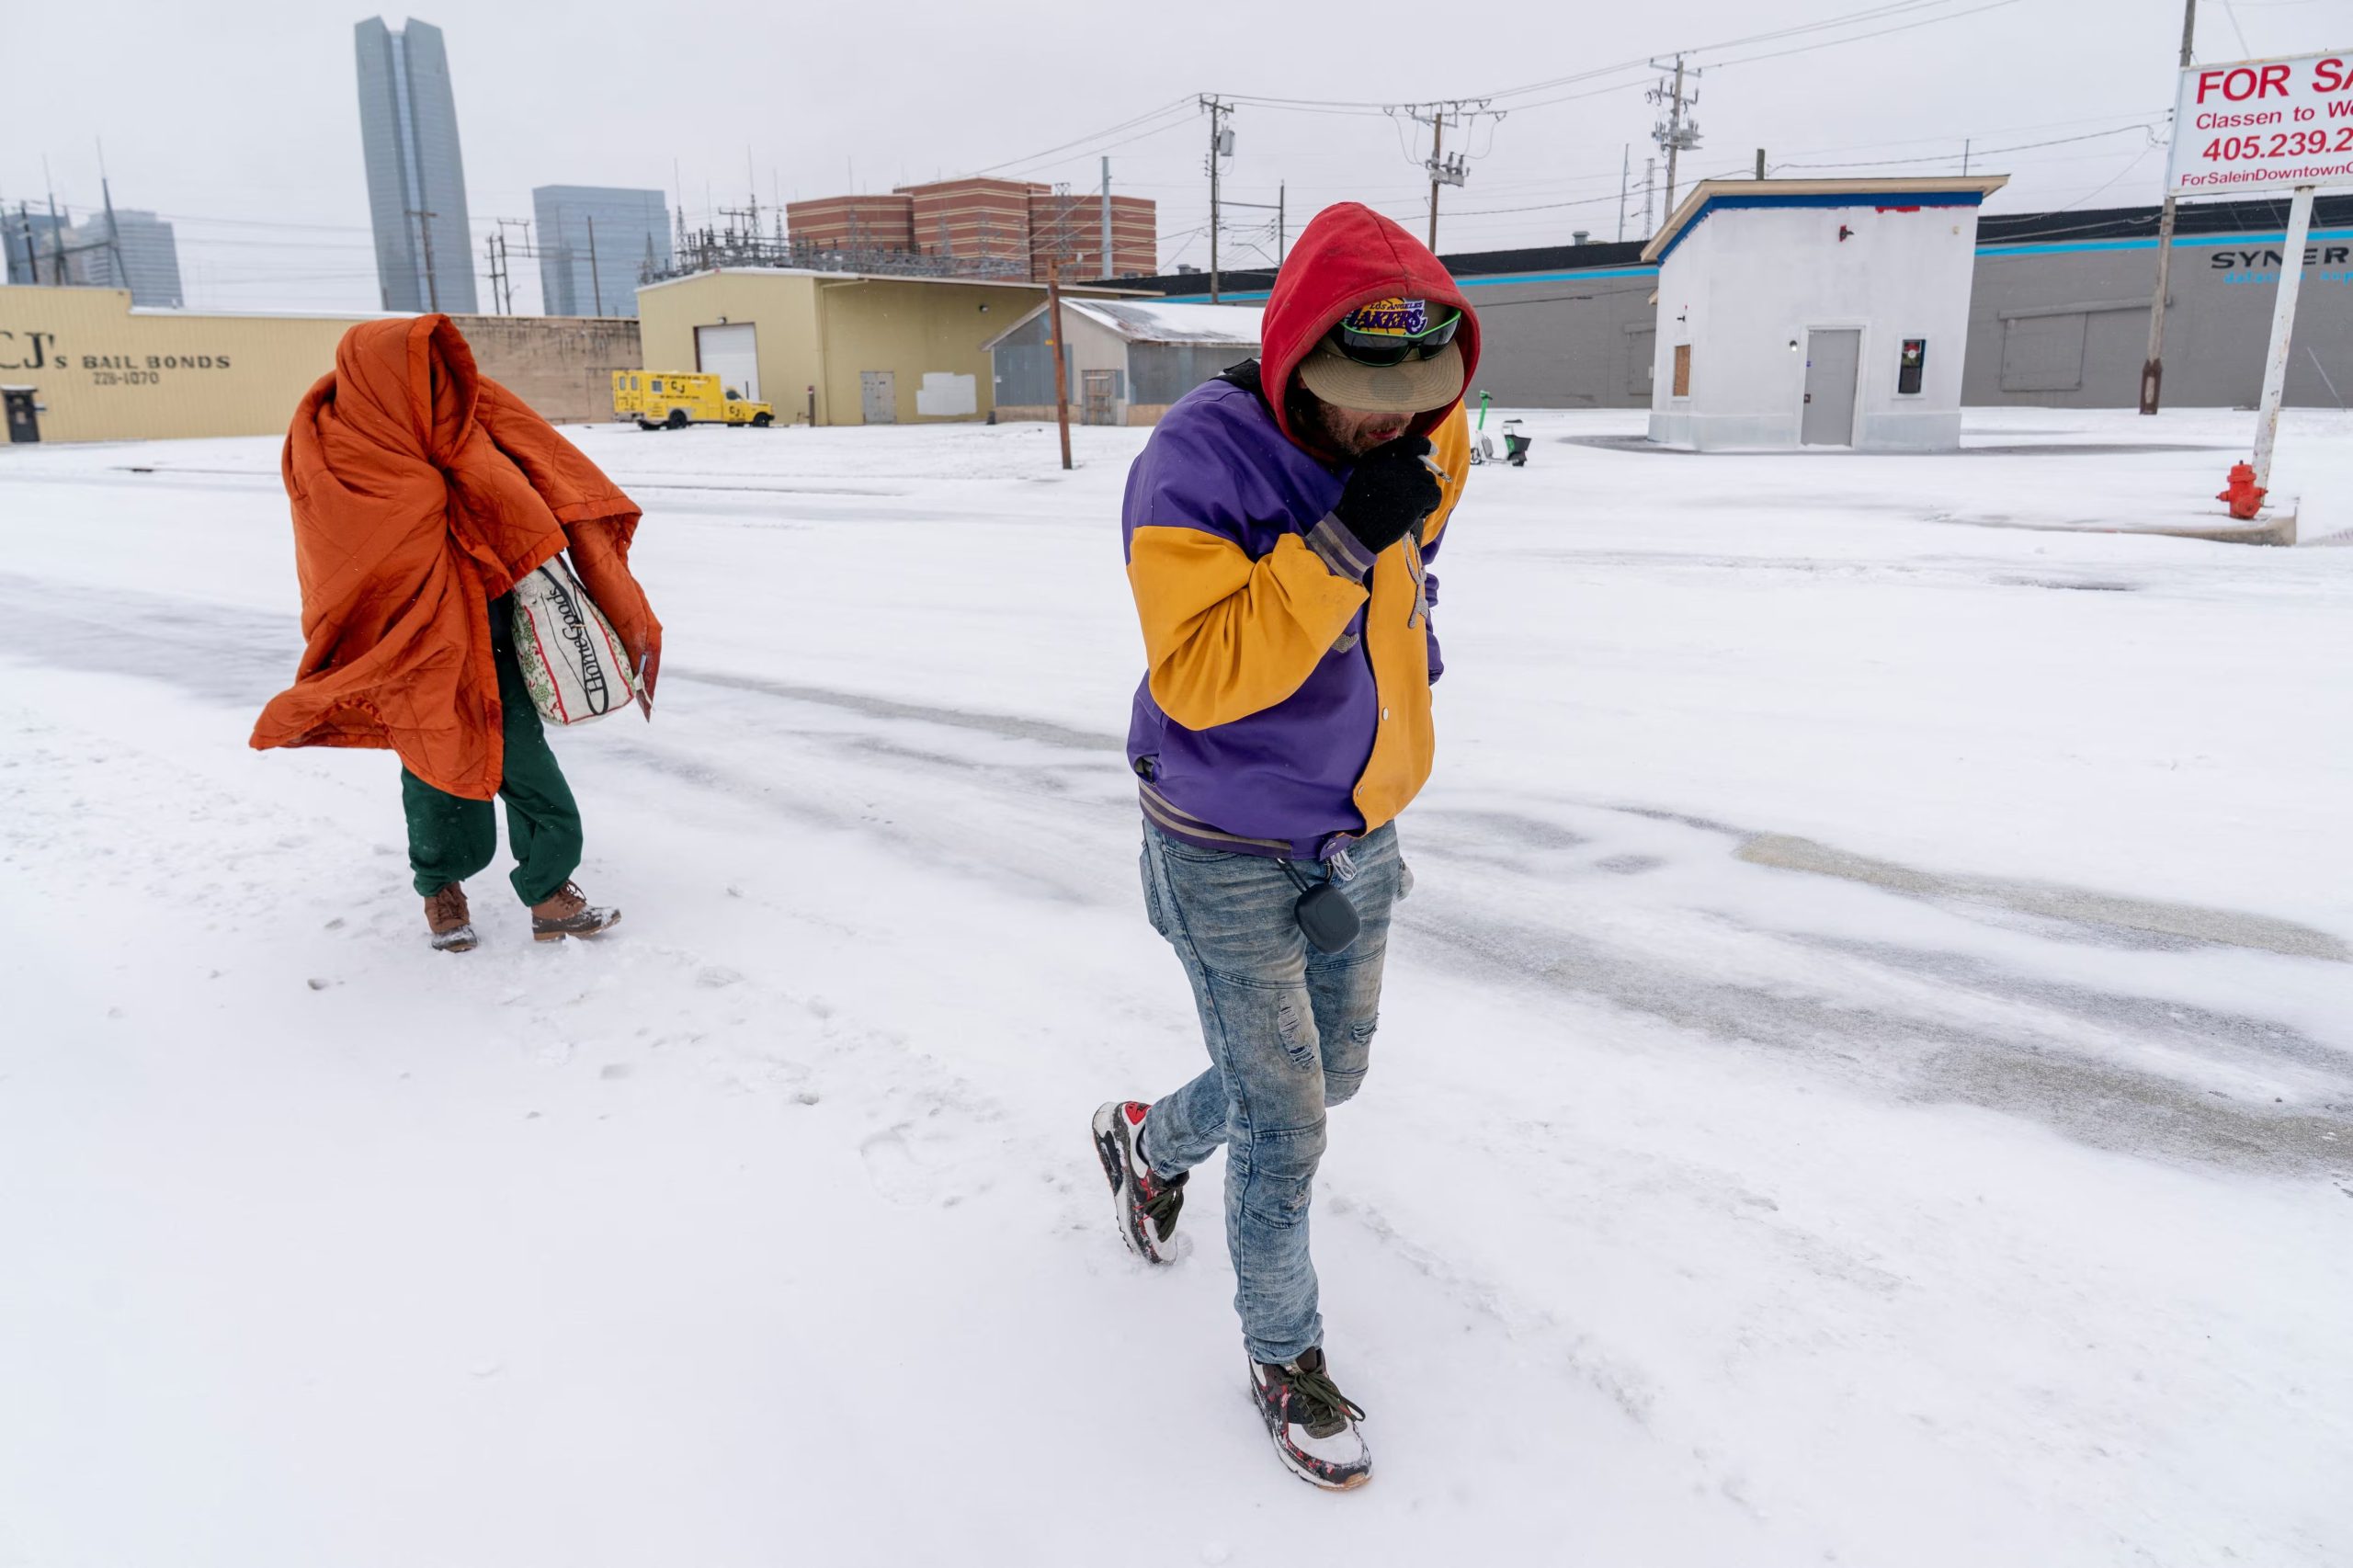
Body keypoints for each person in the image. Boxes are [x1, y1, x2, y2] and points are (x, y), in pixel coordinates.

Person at [1091, 203, 1477, 1490]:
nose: (1397, 427)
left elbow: (1426, 524)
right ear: (1295, 359)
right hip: (1226, 844)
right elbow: (1199, 675)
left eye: (1420, 400)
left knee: (1333, 1073)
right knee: (1288, 1121)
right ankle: (1285, 1353)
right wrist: (1339, 543)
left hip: (1358, 829)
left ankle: (1147, 1140)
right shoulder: (1195, 463)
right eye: (1368, 401)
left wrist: (1401, 555)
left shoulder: (1422, 425)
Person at [251, 315, 659, 951]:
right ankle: (442, 889)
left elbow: (538, 477)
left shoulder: (467, 417)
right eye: (418, 369)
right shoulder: (334, 446)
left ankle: (550, 891)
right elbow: (338, 551)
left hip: (494, 622)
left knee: (523, 757)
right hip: (407, 633)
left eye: (439, 367)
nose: (435, 382)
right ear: (382, 373)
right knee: (435, 759)